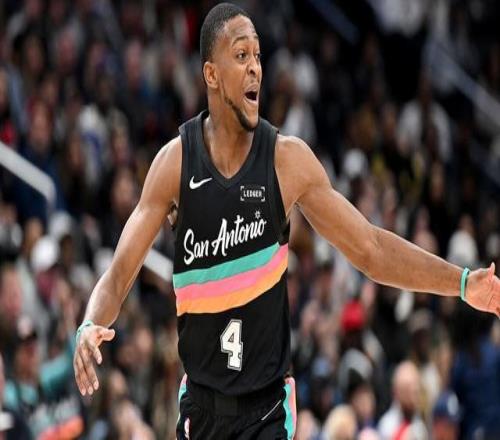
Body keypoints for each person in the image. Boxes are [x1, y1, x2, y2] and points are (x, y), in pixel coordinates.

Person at [73, 3, 500, 439]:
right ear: (211, 75)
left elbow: (371, 249)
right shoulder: (174, 165)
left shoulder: (286, 161)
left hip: (267, 413)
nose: (255, 67)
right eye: (241, 55)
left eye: (258, 55)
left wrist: (462, 283)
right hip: (201, 411)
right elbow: (119, 275)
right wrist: (90, 324)